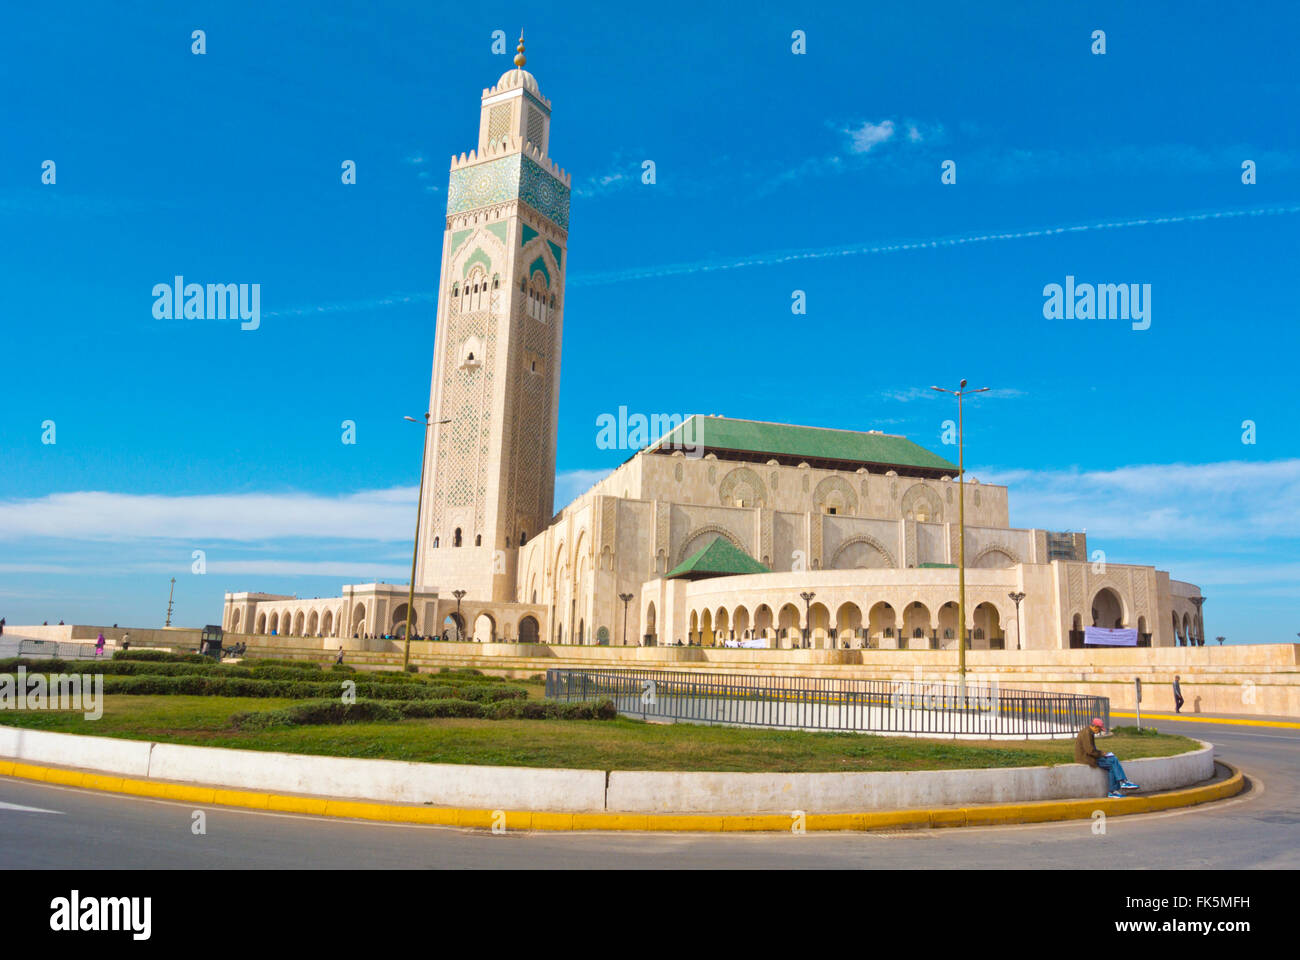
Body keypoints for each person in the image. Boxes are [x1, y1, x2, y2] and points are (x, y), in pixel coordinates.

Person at [1075, 718, 1139, 798]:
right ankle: (1123, 782)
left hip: (1089, 756)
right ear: (1095, 727)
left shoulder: (1088, 731)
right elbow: (1090, 751)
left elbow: (1091, 749)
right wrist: (1102, 753)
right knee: (1113, 760)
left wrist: (1103, 753)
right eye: (1100, 730)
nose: (1100, 732)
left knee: (1112, 764)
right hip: (1086, 758)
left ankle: (1113, 791)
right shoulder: (1087, 733)